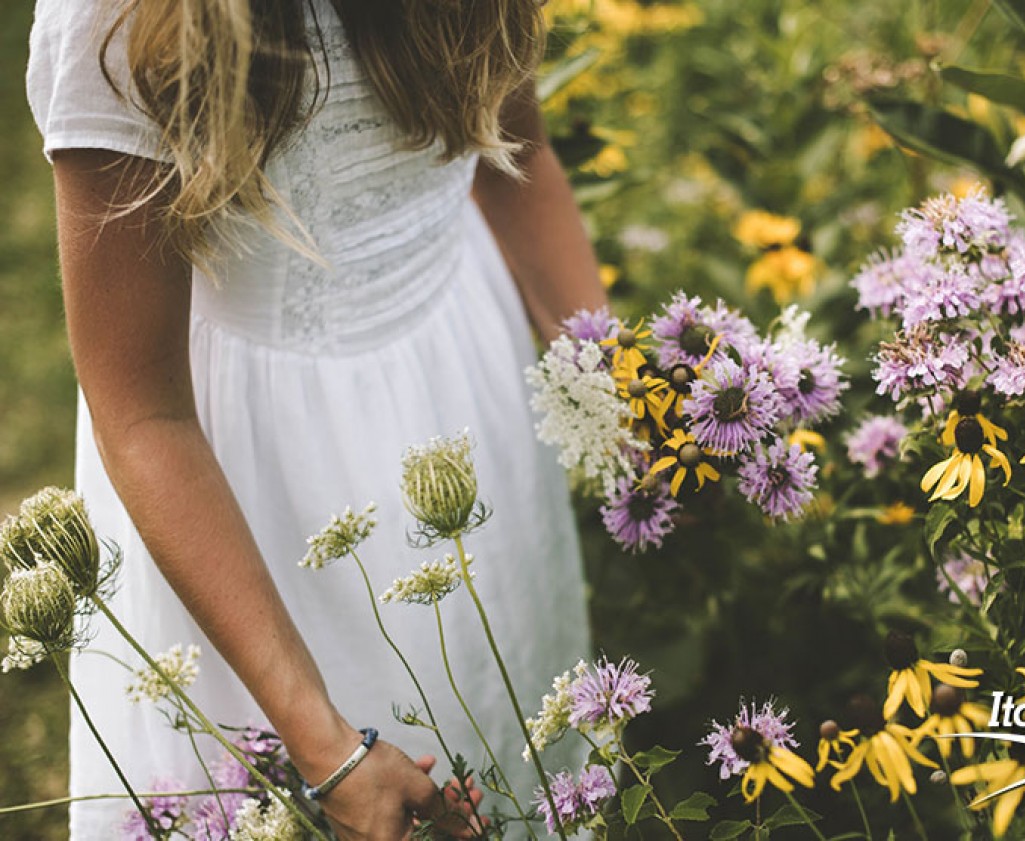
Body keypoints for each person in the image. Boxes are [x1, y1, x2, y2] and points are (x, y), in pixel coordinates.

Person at [26, 0, 605, 837]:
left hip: (470, 385)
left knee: (506, 715)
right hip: (251, 487)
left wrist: (623, 392)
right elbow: (141, 409)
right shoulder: (122, 20)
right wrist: (324, 744)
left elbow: (515, 159)